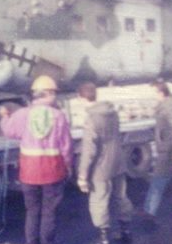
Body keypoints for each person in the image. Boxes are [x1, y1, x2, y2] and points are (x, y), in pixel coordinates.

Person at [0, 75, 73, 244]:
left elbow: (10, 132)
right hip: (53, 172)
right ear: (47, 93)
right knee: (49, 212)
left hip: (29, 173)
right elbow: (66, 146)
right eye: (54, 93)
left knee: (32, 211)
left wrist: (5, 117)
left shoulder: (22, 114)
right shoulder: (58, 116)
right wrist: (69, 165)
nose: (55, 97)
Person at [76, 81, 133, 244]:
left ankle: (104, 237)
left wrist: (82, 175)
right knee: (121, 197)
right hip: (118, 163)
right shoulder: (112, 113)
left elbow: (89, 150)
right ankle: (126, 231)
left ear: (81, 98)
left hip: (100, 169)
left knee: (99, 201)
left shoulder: (91, 119)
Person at [141, 80, 172, 223]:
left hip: (169, 151)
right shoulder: (168, 105)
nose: (151, 96)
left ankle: (149, 211)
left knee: (158, 180)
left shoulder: (168, 107)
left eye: (153, 93)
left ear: (160, 92)